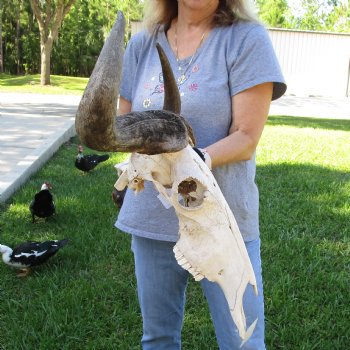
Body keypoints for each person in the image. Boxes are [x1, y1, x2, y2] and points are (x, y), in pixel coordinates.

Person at [115, 0, 287, 349]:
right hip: (152, 217)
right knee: (158, 339)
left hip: (222, 220)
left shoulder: (245, 39)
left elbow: (246, 137)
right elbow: (123, 125)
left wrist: (195, 161)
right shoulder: (143, 44)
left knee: (244, 343)